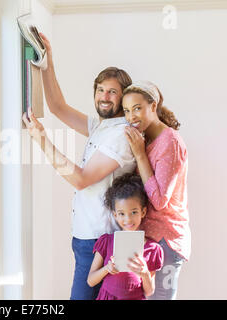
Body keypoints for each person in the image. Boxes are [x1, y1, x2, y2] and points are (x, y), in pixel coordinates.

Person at [22, 33, 136, 300]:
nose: (105, 97)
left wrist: (41, 139)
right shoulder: (102, 126)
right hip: (86, 237)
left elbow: (81, 180)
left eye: (113, 92)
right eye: (100, 90)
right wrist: (47, 61)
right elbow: (57, 107)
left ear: (123, 98)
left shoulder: (121, 135)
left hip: (100, 241)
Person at [122, 81, 191, 300]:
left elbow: (160, 201)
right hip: (147, 237)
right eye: (126, 111)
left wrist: (140, 155)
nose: (131, 116)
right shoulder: (146, 138)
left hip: (166, 240)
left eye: (137, 108)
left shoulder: (170, 142)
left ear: (153, 106)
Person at [87, 173, 164, 300]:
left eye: (134, 212)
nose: (128, 219)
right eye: (121, 214)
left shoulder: (152, 249)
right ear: (115, 215)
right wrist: (107, 269)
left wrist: (144, 274)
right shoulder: (106, 242)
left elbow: (149, 291)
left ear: (143, 212)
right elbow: (91, 281)